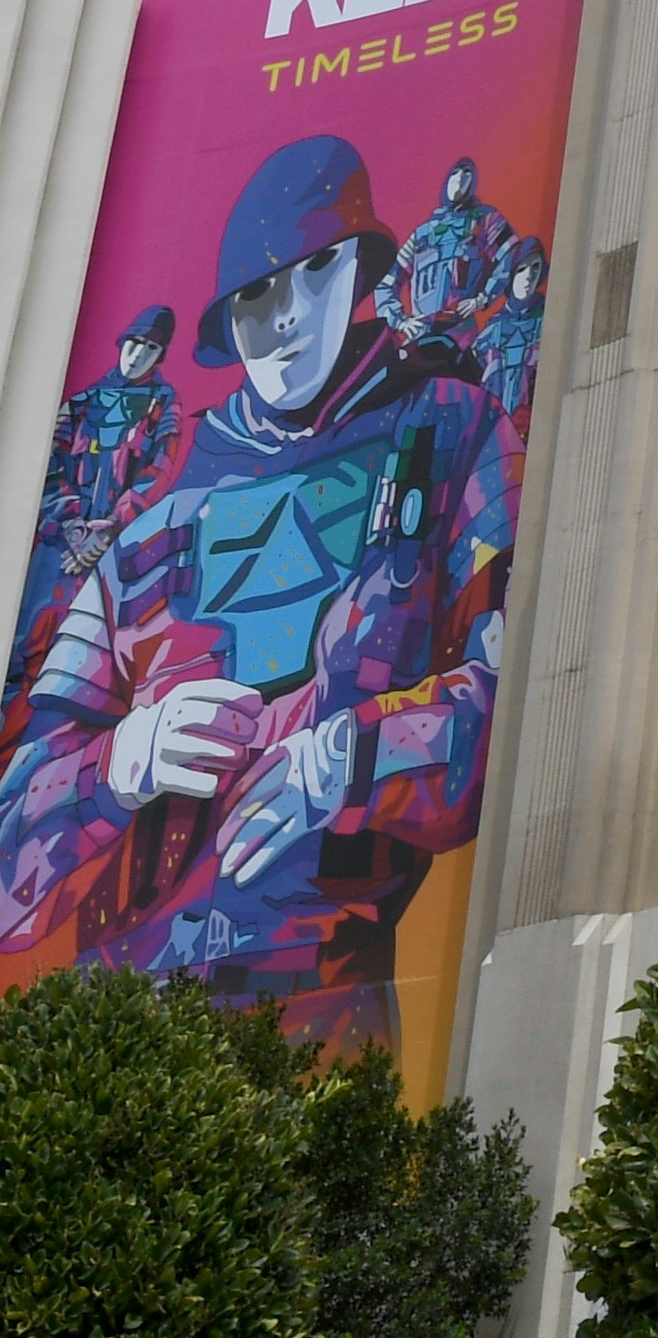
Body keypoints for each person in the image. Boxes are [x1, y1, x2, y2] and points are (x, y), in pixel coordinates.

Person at [0, 137, 517, 1050]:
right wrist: (120, 765)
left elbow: (525, 705)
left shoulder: (454, 430)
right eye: (253, 298)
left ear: (359, 269)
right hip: (117, 1024)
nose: (281, 320)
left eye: (311, 274)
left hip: (325, 1009)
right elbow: (9, 854)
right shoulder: (150, 521)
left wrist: (347, 762)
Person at [8, 309, 180, 698]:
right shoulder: (81, 403)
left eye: (151, 348)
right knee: (25, 637)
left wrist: (110, 531)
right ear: (122, 342)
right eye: (135, 342)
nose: (139, 354)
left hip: (117, 548)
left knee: (85, 659)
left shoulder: (164, 404)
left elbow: (158, 472)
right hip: (59, 543)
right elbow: (49, 465)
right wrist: (70, 526)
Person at [372, 156, 513, 362]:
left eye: (467, 173)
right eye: (455, 173)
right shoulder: (422, 234)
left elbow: (512, 256)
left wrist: (482, 299)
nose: (460, 178)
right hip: (421, 336)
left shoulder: (486, 220)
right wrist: (400, 321)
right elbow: (386, 282)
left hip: (461, 335)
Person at [473, 243, 547, 427]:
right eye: (522, 269)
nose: (529, 276)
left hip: (532, 422)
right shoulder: (492, 330)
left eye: (535, 267)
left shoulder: (547, 320)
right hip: (493, 424)